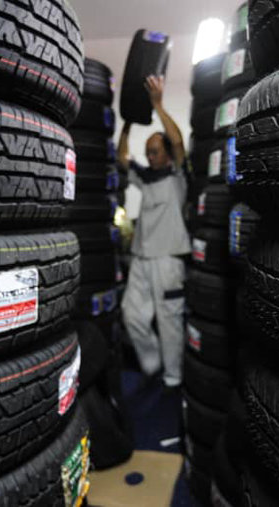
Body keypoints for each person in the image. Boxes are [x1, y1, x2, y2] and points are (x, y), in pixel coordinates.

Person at [117, 75, 190, 391]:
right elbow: (122, 158)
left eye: (155, 151)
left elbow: (178, 141)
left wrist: (158, 105)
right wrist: (128, 121)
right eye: (148, 152)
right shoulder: (145, 177)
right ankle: (152, 366)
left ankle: (173, 379)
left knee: (169, 321)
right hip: (141, 259)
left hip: (168, 260)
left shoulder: (178, 176)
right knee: (131, 315)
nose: (150, 157)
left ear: (168, 155)